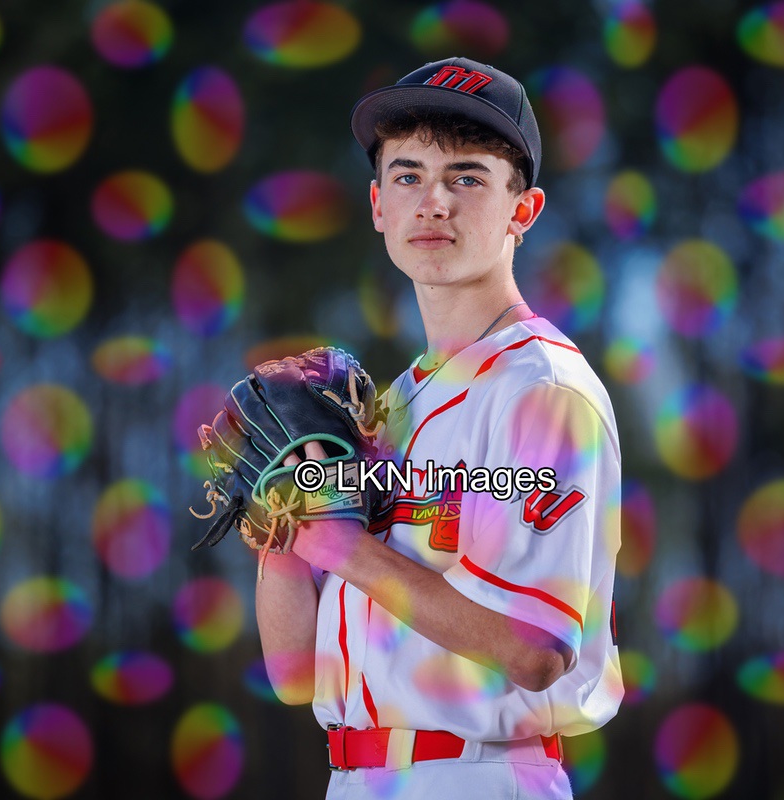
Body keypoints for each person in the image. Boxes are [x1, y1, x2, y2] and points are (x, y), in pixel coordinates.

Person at [254, 57, 623, 800]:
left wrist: (345, 548)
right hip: (353, 776)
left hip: (478, 772)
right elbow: (295, 675)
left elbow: (534, 650)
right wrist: (283, 538)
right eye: (408, 175)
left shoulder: (541, 391)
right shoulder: (387, 409)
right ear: (378, 205)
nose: (433, 203)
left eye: (467, 178)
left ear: (523, 211)